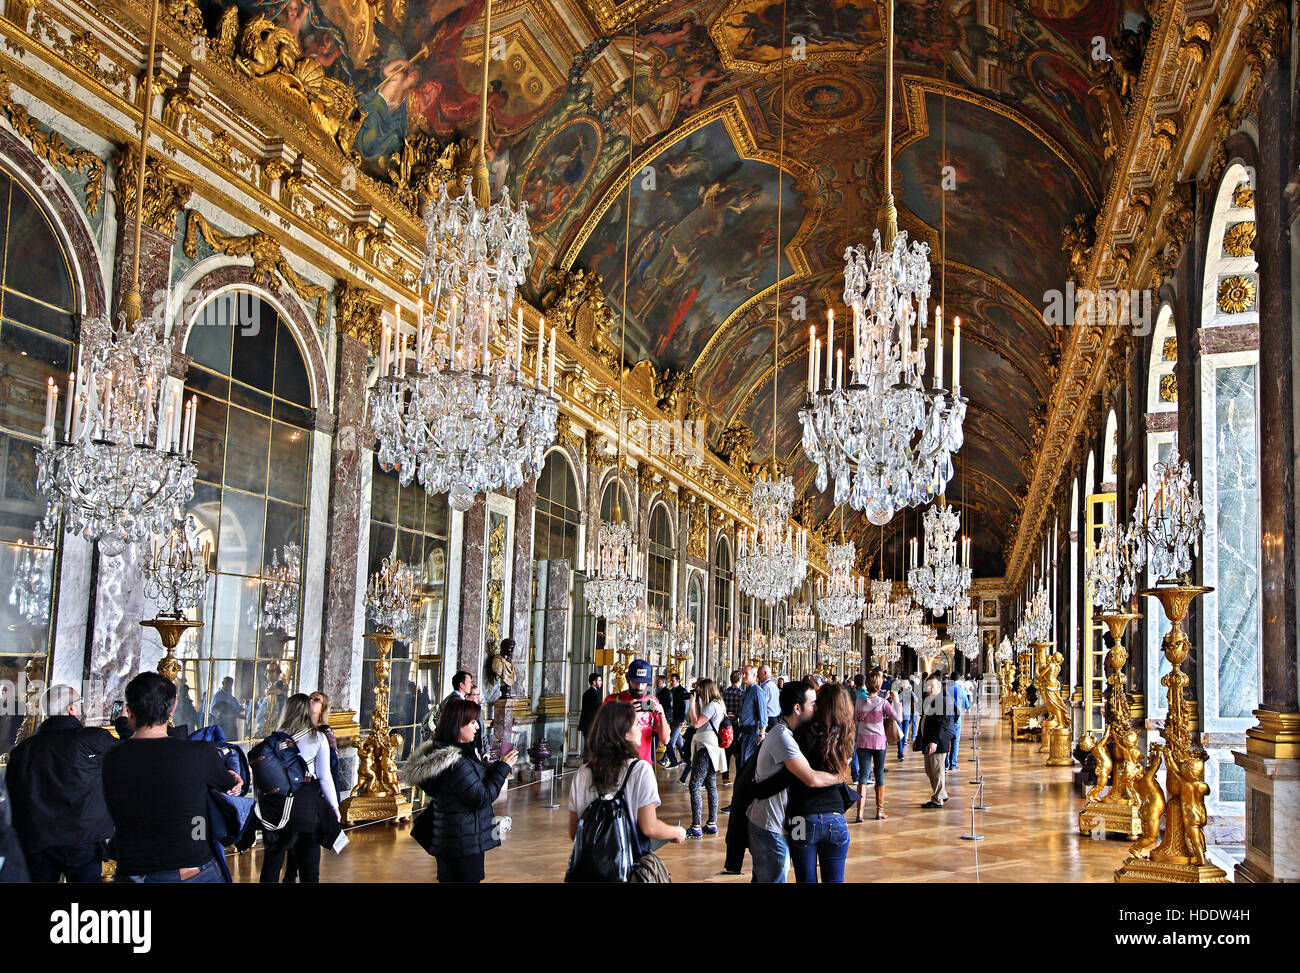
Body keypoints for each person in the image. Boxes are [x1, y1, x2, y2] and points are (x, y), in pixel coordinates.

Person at [102, 673, 242, 883]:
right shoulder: (199, 753)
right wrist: (233, 777)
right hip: (189, 869)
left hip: (133, 870)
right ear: (173, 707)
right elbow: (230, 786)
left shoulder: (112, 757)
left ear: (129, 711)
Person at [6, 684, 117, 882]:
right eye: (80, 703)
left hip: (37, 842)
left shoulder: (22, 750)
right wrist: (124, 725)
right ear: (71, 709)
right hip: (83, 841)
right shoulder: (93, 740)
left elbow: (12, 798)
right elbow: (129, 756)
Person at [406, 697, 517, 882]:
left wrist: (493, 768)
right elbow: (482, 797)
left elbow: (470, 787)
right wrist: (503, 768)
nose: (477, 727)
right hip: (462, 842)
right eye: (473, 722)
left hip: (455, 839)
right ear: (459, 725)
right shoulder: (456, 762)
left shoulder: (451, 756)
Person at [569, 702, 686, 870]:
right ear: (623, 733)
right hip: (628, 867)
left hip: (589, 870)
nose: (641, 727)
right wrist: (677, 832)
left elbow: (575, 832)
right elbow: (649, 827)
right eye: (636, 723)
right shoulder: (640, 770)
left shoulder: (583, 773)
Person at [746, 680, 842, 883]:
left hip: (773, 822)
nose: (817, 708)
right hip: (770, 825)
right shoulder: (783, 738)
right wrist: (840, 776)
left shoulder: (788, 734)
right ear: (798, 708)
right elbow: (811, 778)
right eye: (813, 703)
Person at [260, 694, 341, 883]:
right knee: (309, 863)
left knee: (273, 860)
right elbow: (324, 777)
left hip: (277, 801)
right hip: (305, 800)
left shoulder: (274, 737)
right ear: (307, 711)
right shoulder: (317, 738)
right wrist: (334, 807)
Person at [787, 683, 855, 882]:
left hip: (801, 817)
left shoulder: (802, 733)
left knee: (804, 879)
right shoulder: (847, 736)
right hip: (836, 818)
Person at [853, 671, 900, 821]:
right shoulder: (883, 703)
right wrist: (896, 699)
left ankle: (859, 812)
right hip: (879, 742)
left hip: (863, 741)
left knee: (863, 775)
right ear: (879, 686)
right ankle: (879, 811)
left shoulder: (859, 701)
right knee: (879, 774)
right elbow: (897, 717)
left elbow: (855, 720)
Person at [603, 660, 669, 764]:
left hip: (643, 766)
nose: (639, 687)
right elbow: (602, 736)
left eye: (643, 683)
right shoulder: (612, 701)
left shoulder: (652, 702)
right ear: (628, 679)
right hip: (616, 765)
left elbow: (665, 740)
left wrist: (662, 715)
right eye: (636, 682)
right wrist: (626, 715)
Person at [685, 679, 726, 838]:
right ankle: (711, 823)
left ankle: (696, 826)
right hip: (712, 747)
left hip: (706, 747)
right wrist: (696, 703)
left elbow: (696, 723)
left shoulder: (712, 705)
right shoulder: (718, 704)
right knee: (710, 784)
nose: (698, 692)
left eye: (700, 690)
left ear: (706, 690)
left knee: (694, 785)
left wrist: (691, 703)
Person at [917, 675, 958, 808]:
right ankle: (943, 794)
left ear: (939, 687)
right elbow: (923, 720)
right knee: (930, 770)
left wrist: (935, 741)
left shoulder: (943, 701)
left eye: (932, 686)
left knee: (937, 771)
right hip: (927, 740)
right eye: (928, 686)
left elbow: (943, 724)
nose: (929, 688)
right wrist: (918, 739)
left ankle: (938, 799)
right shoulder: (929, 700)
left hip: (938, 742)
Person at [721, 670, 746, 783]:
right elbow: (742, 710)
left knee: (726, 751)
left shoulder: (725, 692)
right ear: (740, 680)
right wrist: (736, 715)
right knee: (737, 751)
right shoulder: (741, 693)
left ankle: (725, 776)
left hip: (725, 724)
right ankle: (739, 776)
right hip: (736, 724)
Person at [947, 674, 972, 771]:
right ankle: (952, 764)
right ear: (959, 679)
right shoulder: (961, 690)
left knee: (945, 741)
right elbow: (966, 705)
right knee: (955, 742)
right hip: (957, 719)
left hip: (946, 718)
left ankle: (945, 764)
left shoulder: (945, 689)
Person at [210, 676, 242, 743]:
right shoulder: (218, 695)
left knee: (232, 743)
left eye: (230, 684)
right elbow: (212, 710)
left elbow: (238, 708)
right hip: (221, 724)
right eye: (227, 684)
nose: (229, 686)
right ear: (223, 683)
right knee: (222, 742)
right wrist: (223, 715)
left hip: (231, 725)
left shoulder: (231, 697)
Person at [577, 672, 602, 757]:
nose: (601, 682)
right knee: (592, 746)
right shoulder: (595, 694)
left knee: (588, 745)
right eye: (599, 680)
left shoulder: (586, 693)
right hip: (592, 724)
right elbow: (598, 711)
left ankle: (587, 763)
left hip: (586, 724)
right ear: (594, 682)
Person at [893, 677, 918, 760]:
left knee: (904, 734)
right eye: (903, 683)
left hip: (907, 715)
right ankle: (900, 753)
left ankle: (901, 750)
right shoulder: (898, 691)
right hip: (899, 715)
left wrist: (910, 691)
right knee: (899, 734)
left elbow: (916, 700)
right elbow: (898, 699)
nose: (905, 684)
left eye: (906, 683)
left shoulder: (910, 692)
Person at [757, 664, 779, 730]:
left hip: (768, 719)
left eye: (759, 673)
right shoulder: (773, 685)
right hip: (775, 718)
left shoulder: (765, 687)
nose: (757, 676)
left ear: (765, 673)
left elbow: (762, 704)